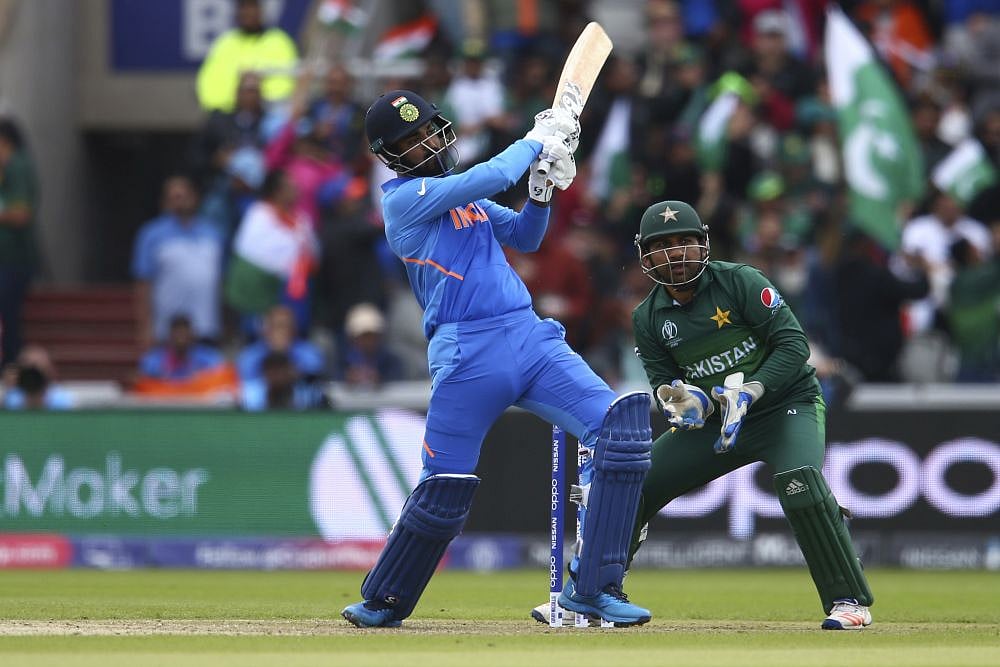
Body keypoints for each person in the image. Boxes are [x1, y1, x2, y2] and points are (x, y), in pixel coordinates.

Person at [340, 89, 654, 629]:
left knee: (621, 434)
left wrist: (541, 189)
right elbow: (491, 174)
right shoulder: (404, 201)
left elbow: (526, 237)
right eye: (412, 140)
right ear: (390, 157)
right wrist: (535, 140)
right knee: (445, 487)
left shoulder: (466, 202)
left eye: (429, 130)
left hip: (529, 336)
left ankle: (594, 588)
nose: (428, 143)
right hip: (468, 354)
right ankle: (385, 599)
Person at [533, 200, 875, 630]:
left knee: (799, 481)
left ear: (703, 244)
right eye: (662, 246)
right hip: (716, 425)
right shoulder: (648, 317)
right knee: (629, 484)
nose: (675, 253)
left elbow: (794, 346)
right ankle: (591, 592)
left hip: (786, 406)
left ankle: (849, 601)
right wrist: (683, 403)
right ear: (644, 256)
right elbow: (664, 384)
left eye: (684, 242)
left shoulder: (740, 281)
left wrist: (752, 390)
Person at [132, 175, 226, 349]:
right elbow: (144, 283)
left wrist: (223, 324)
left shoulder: (212, 234)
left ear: (195, 198)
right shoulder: (151, 235)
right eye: (174, 197)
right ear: (165, 202)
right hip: (167, 330)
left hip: (205, 327)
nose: (180, 202)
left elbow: (220, 281)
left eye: (184, 196)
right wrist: (145, 327)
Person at [196, 0, 299, 113]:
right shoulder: (225, 42)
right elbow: (209, 84)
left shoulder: (279, 42)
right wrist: (234, 101)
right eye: (243, 7)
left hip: (268, 113)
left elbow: (285, 87)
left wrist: (255, 96)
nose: (247, 12)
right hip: (228, 113)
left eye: (251, 7)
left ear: (261, 11)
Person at [0, 118, 39, 370]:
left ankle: (11, 366)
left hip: (13, 259)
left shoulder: (18, 165)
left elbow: (21, 213)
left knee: (8, 315)